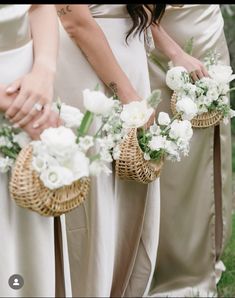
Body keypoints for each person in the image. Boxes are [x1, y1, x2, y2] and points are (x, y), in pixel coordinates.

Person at [54, 4, 166, 297]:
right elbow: (75, 21)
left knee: (127, 191)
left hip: (129, 62)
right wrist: (127, 94)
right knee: (94, 192)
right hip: (86, 67)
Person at [147, 4, 232, 297]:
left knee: (205, 147)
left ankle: (198, 260)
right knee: (165, 154)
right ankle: (162, 264)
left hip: (205, 25)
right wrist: (175, 53)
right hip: (157, 30)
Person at [0, 5, 71, 296]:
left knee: (26, 206)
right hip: (16, 97)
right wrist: (13, 105)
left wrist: (43, 70)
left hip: (27, 79)